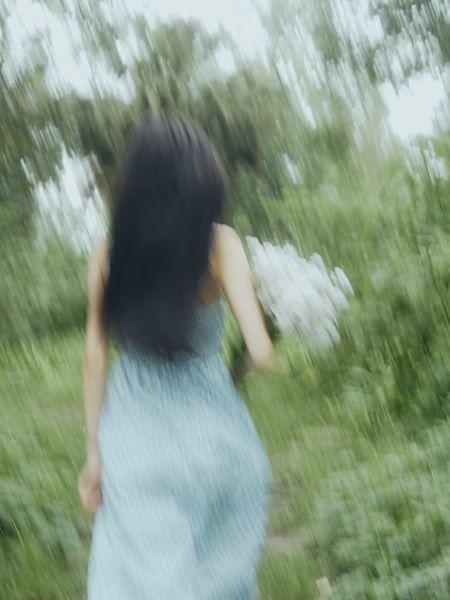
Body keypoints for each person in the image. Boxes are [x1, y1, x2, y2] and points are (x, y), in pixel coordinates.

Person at [78, 111, 274, 599]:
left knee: (143, 577)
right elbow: (261, 351)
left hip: (134, 440)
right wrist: (232, 374)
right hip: (216, 440)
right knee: (215, 574)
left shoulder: (108, 255)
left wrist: (94, 455)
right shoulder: (221, 245)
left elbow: (94, 358)